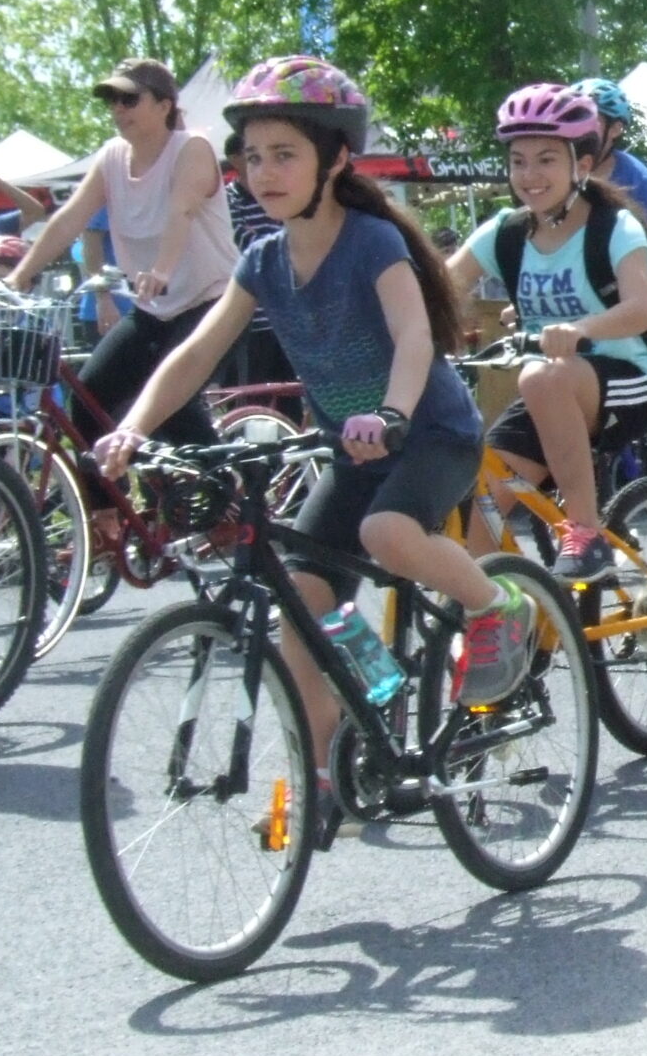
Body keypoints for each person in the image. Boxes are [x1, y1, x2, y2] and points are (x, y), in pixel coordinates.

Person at [92, 56, 519, 848]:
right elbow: (193, 356)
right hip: (353, 453)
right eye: (251, 157)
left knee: (386, 535)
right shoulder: (262, 262)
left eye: (284, 153)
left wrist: (390, 413)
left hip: (428, 436)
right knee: (298, 610)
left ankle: (497, 605)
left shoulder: (373, 242)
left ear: (335, 159)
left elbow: (415, 335)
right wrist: (134, 426)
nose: (263, 172)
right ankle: (329, 776)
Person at [445, 84, 647, 576]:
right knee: (480, 506)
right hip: (550, 386)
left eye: (546, 159)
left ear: (581, 166)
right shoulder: (505, 231)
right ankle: (515, 626)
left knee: (542, 377)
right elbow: (439, 288)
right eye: (518, 161)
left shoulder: (615, 228)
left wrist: (579, 329)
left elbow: (640, 310)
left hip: (627, 378)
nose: (530, 175)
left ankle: (586, 534)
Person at [2, 58, 238, 451]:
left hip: (213, 301)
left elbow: (181, 211)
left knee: (169, 399)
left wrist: (161, 270)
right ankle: (107, 510)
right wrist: (18, 276)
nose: (117, 109)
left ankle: (226, 492)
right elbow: (68, 220)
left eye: (129, 99)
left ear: (165, 106)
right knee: (89, 399)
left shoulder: (191, 149)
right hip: (154, 308)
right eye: (111, 100)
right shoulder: (111, 157)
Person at [571, 77, 647, 272]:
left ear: (615, 129)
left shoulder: (636, 176)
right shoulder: (558, 168)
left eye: (591, 120)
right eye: (575, 118)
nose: (581, 129)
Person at [219, 129, 294, 389]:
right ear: (235, 159)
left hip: (284, 317)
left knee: (287, 395)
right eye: (252, 157)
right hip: (248, 321)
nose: (262, 167)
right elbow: (244, 243)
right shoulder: (227, 200)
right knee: (252, 396)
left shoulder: (282, 197)